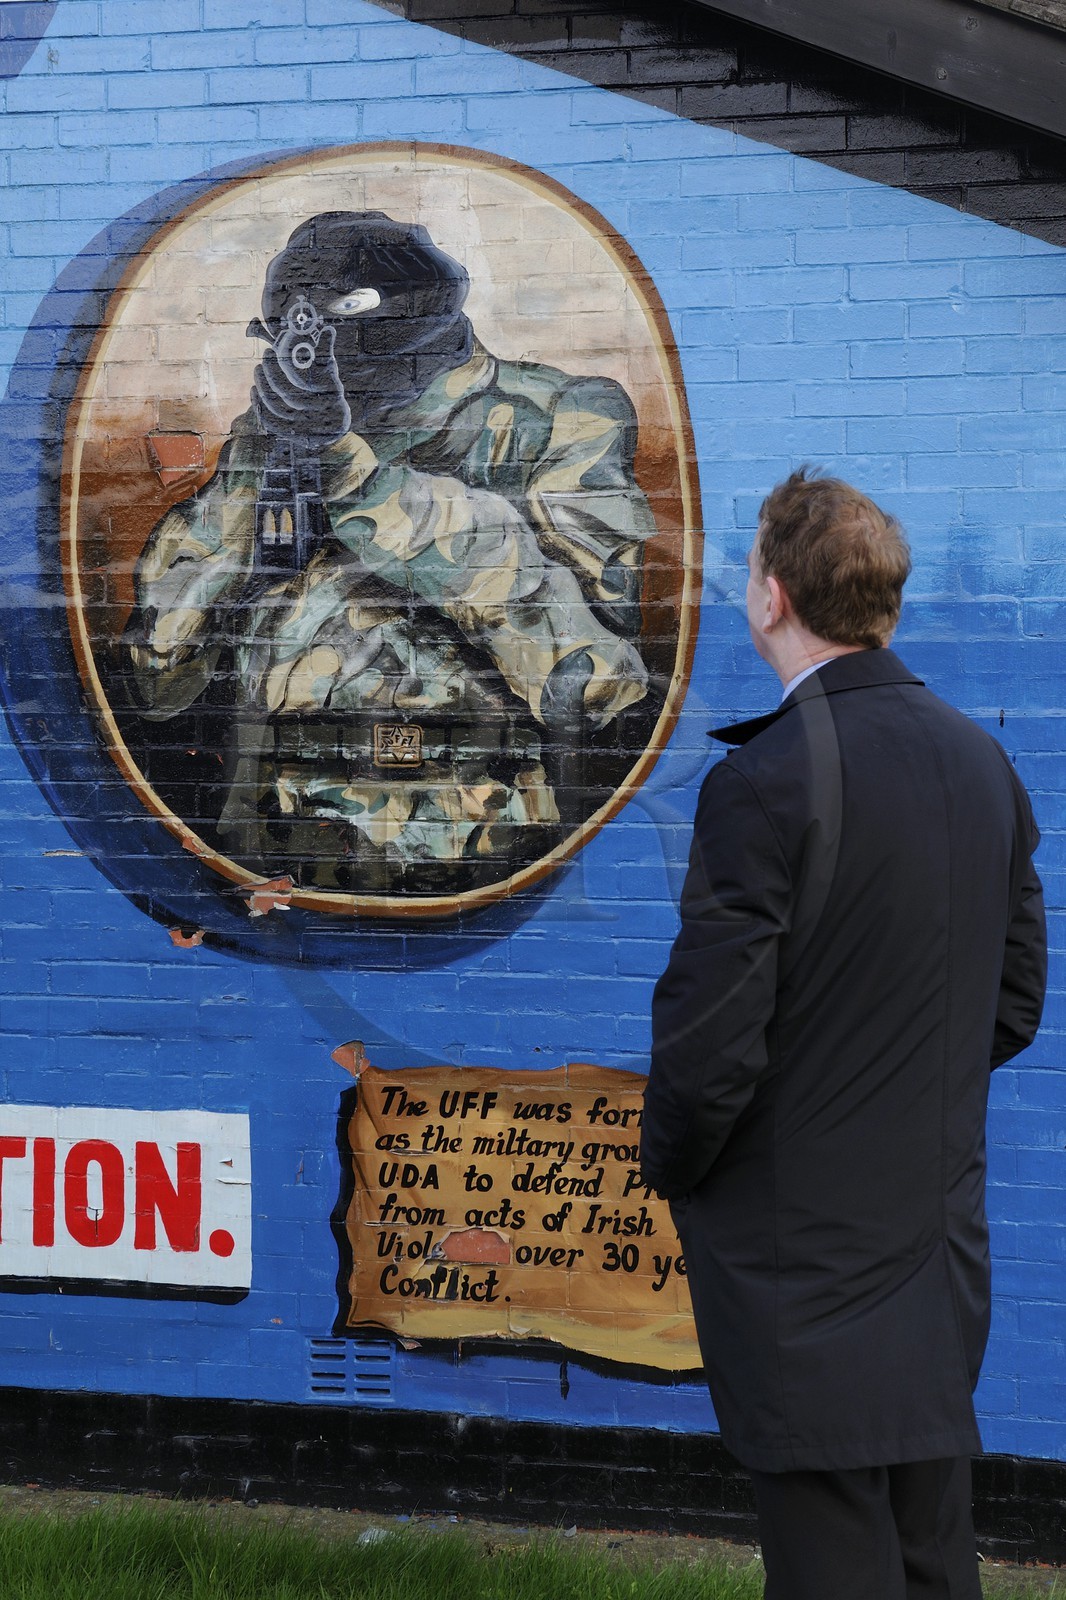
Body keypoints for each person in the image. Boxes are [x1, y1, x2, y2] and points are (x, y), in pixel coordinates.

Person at [640, 469, 1047, 1600]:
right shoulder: (982, 763)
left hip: (799, 1264)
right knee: (929, 1560)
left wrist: (673, 1169)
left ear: (771, 596)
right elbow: (1012, 1000)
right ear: (885, 603)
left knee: (831, 1568)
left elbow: (708, 1047)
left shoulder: (762, 783)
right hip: (934, 1249)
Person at [124, 211, 659, 893]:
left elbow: (591, 677)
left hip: (471, 841)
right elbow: (158, 676)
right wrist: (258, 473)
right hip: (272, 845)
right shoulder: (277, 432)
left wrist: (356, 476)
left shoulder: (561, 417)